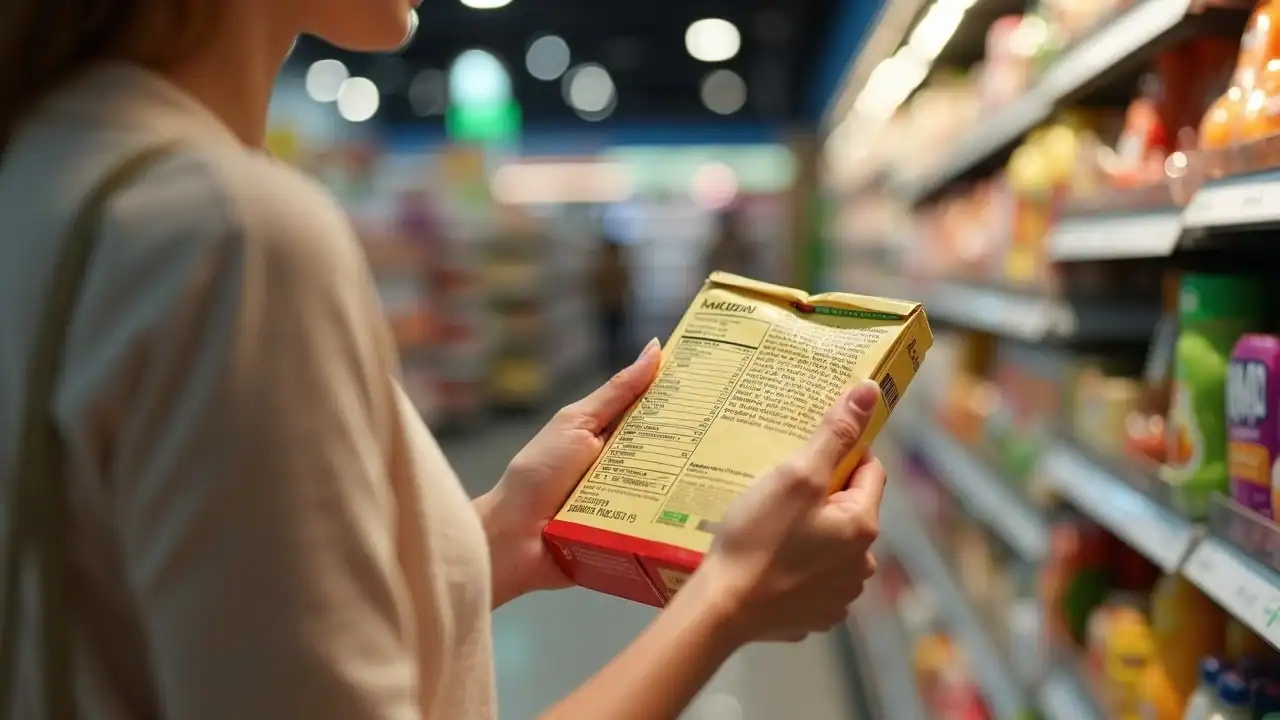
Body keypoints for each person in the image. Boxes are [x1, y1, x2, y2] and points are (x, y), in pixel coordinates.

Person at [0, 2, 886, 719]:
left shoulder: (55, 179)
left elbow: (189, 621)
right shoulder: (229, 232)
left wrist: (499, 530)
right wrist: (729, 598)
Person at [593, 236, 634, 372]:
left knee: (611, 335)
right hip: (616, 305)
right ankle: (616, 361)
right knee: (617, 335)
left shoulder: (602, 266)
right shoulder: (618, 266)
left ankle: (612, 362)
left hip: (608, 306)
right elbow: (627, 284)